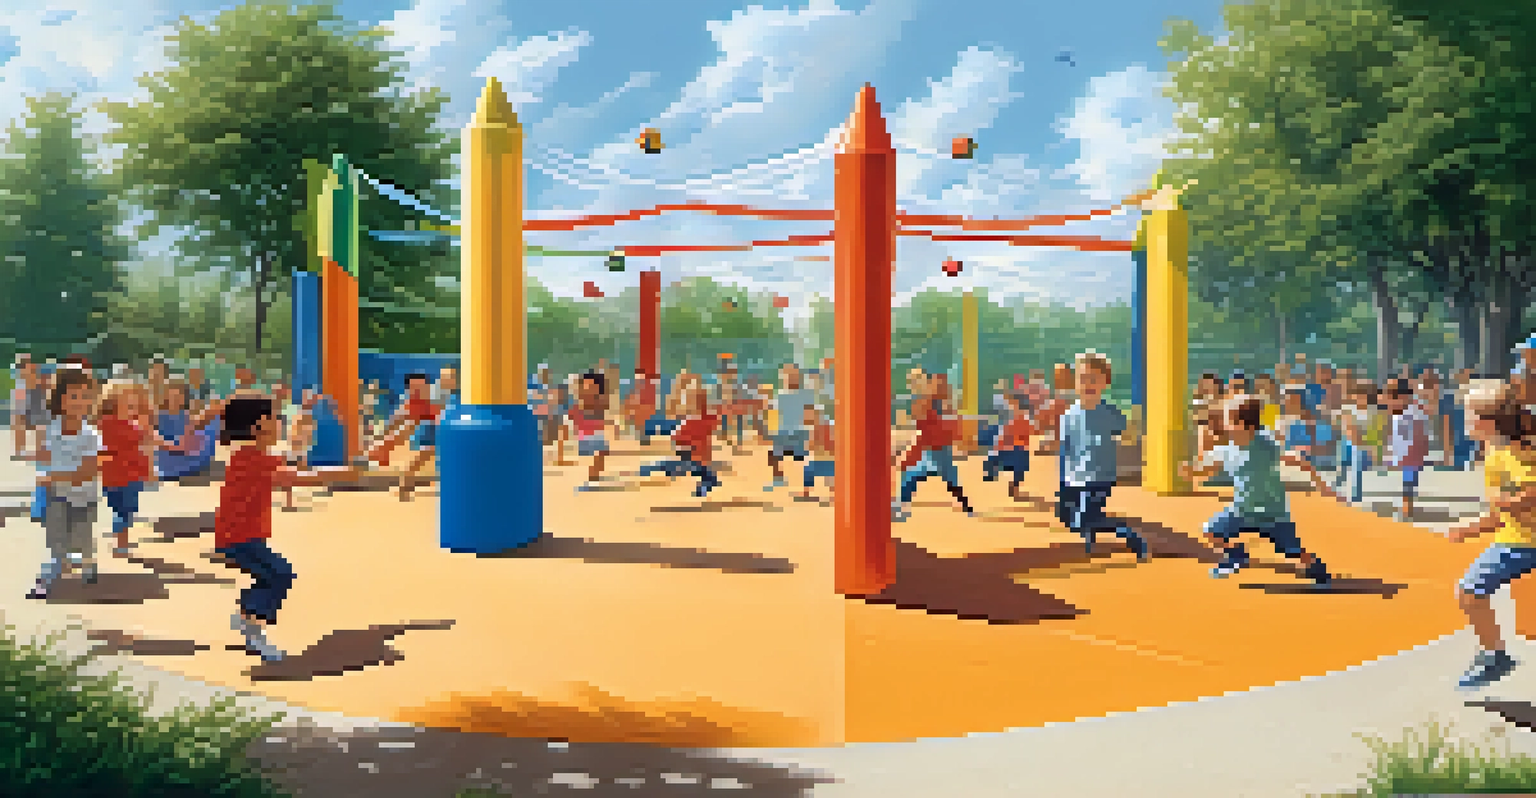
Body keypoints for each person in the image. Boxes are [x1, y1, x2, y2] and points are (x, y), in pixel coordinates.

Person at [214, 397, 347, 662]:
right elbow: (297, 476)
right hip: (238, 539)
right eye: (275, 419)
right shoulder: (250, 459)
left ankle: (247, 616)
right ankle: (251, 625)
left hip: (243, 536)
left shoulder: (253, 456)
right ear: (258, 427)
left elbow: (290, 461)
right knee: (280, 574)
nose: (280, 424)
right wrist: (346, 472)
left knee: (272, 576)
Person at [1179, 395, 1333, 585]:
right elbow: (1205, 470)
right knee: (1211, 532)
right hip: (1242, 510)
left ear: (1247, 426)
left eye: (1228, 420)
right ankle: (1236, 553)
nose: (1224, 424)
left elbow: (1297, 459)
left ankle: (1317, 568)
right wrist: (1190, 472)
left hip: (1273, 514)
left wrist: (1321, 484)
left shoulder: (1267, 447)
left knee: (1291, 551)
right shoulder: (1226, 450)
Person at [1446, 383, 1536, 689]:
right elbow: (1500, 513)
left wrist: (1521, 500)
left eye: (1468, 413)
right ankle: (1493, 654)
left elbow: (1515, 500)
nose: (1465, 420)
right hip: (1516, 543)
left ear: (1486, 421)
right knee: (1469, 591)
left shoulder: (1530, 449)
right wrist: (1470, 528)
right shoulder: (1493, 456)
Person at [1054, 352, 1148, 559]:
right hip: (1073, 478)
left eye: (1093, 379)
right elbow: (1065, 450)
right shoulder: (1068, 415)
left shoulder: (1111, 413)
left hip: (1100, 478)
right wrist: (1061, 481)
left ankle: (1128, 534)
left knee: (1085, 518)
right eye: (1082, 378)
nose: (1087, 384)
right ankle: (1090, 536)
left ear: (1105, 383)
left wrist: (1132, 430)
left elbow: (1128, 436)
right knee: (1069, 519)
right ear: (1075, 383)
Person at [29, 368, 102, 599]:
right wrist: (44, 470)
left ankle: (88, 562)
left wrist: (54, 477)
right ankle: (52, 574)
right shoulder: (50, 431)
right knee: (56, 537)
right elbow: (44, 458)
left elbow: (88, 472)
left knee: (82, 537)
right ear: (59, 400)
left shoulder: (91, 435)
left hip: (84, 498)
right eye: (73, 396)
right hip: (57, 496)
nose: (79, 402)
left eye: (84, 396)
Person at [892, 372, 974, 522]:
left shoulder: (933, 403)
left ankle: (900, 506)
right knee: (915, 476)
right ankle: (900, 505)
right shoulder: (934, 403)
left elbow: (930, 422)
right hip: (934, 450)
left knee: (941, 479)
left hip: (937, 450)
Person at [98, 380, 162, 558]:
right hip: (126, 476)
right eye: (128, 403)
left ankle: (120, 539)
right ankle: (121, 542)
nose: (131, 408)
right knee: (125, 510)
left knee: (120, 509)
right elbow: (147, 440)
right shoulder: (121, 425)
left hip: (116, 476)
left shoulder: (105, 423)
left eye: (133, 404)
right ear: (113, 403)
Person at [639, 385, 721, 498]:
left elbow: (676, 436)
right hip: (697, 457)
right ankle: (705, 484)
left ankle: (650, 468)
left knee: (674, 466)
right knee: (696, 470)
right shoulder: (702, 420)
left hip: (691, 457)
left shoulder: (691, 421)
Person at [1383, 378, 1430, 521]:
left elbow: (1420, 432)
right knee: (1407, 480)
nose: (1389, 399)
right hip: (1401, 451)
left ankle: (1406, 509)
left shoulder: (1414, 411)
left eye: (1393, 395)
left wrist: (1419, 449)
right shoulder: (1397, 412)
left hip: (1411, 451)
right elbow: (1393, 432)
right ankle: (1405, 507)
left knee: (1409, 480)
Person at [765, 364, 814, 491]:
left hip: (800, 431)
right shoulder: (781, 395)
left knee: (807, 458)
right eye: (787, 376)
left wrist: (811, 430)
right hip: (783, 431)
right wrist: (771, 431)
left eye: (792, 376)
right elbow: (773, 413)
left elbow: (810, 412)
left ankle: (807, 484)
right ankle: (778, 479)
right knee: (773, 455)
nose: (789, 378)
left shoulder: (806, 394)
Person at [983, 390, 1035, 501]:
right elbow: (1004, 433)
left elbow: (1029, 431)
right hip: (1011, 447)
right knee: (999, 459)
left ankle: (1013, 487)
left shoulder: (1022, 417)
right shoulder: (1008, 416)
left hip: (1018, 447)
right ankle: (991, 471)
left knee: (1019, 470)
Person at [571, 371, 614, 490]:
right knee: (596, 452)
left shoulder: (600, 401)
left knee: (602, 452)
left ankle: (595, 473)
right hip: (585, 433)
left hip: (597, 432)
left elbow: (605, 406)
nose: (589, 388)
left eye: (592, 386)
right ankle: (592, 474)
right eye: (587, 386)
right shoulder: (583, 401)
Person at [799, 403, 835, 502]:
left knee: (809, 471)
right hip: (827, 459)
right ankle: (832, 494)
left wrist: (814, 444)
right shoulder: (824, 425)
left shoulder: (820, 427)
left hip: (826, 460)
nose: (804, 417)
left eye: (807, 415)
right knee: (828, 477)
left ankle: (806, 493)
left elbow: (813, 445)